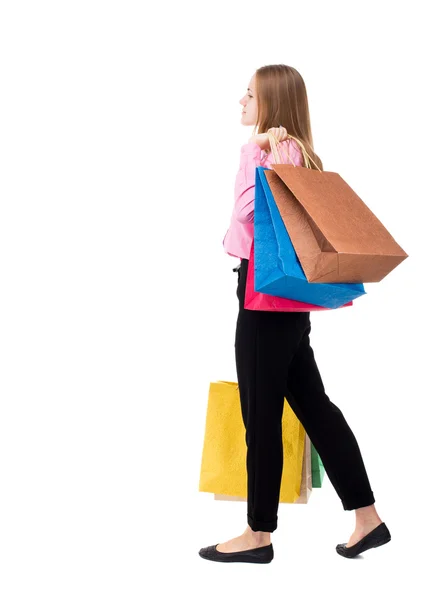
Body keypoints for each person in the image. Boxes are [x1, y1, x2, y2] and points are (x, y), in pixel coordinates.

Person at [199, 64, 391, 564]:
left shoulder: (268, 151)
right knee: (314, 406)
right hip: (288, 299)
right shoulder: (301, 153)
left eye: (249, 94)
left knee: (259, 414)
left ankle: (257, 534)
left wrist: (252, 149)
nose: (240, 102)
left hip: (264, 298)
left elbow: (246, 213)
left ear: (272, 104)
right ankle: (367, 518)